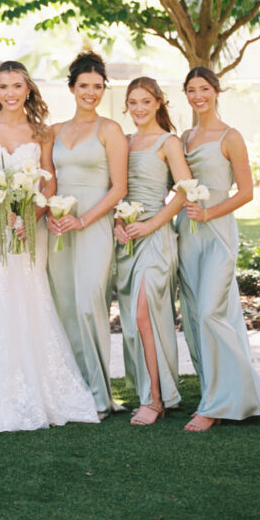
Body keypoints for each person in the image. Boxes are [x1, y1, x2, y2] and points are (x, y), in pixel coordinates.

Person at [0, 59, 99, 432]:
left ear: (28, 90)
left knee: (31, 294)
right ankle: (0, 391)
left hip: (30, 229)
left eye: (17, 86)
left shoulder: (41, 133)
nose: (10, 93)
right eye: (3, 87)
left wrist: (30, 218)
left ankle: (45, 389)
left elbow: (49, 183)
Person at [177, 66, 260, 431]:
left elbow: (247, 192)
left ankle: (222, 400)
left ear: (216, 91)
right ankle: (214, 396)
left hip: (217, 232)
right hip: (186, 234)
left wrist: (208, 214)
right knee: (193, 316)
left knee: (210, 312)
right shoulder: (184, 136)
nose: (197, 96)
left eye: (203, 88)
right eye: (191, 90)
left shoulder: (230, 136)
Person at [47, 51, 128, 417]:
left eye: (97, 87)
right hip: (59, 230)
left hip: (93, 227)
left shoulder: (110, 130)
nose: (91, 93)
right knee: (63, 306)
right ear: (71, 88)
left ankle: (100, 393)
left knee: (88, 304)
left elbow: (118, 188)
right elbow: (47, 183)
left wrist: (84, 220)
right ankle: (72, 389)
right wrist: (49, 214)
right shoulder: (54, 131)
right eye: (84, 86)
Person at [114, 77, 190, 426]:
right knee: (134, 319)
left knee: (145, 313)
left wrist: (151, 224)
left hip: (156, 237)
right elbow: (116, 189)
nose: (139, 109)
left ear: (159, 103)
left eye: (146, 101)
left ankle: (156, 400)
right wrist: (118, 222)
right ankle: (151, 392)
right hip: (127, 237)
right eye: (133, 103)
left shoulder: (168, 142)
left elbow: (184, 193)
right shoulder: (124, 141)